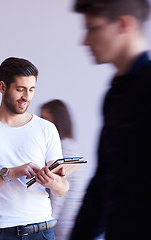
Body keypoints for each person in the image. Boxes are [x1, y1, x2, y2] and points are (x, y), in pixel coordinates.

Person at [0, 57, 69, 240]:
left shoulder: (47, 128)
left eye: (31, 89)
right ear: (2, 87)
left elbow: (63, 188)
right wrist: (12, 172)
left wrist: (52, 182)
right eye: (20, 89)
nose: (27, 96)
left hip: (41, 230)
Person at [71, 0, 151, 239]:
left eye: (93, 28)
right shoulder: (114, 95)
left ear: (123, 24)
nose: (84, 40)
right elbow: (104, 180)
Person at [40, 99, 85, 240]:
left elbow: (58, 193)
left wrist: (46, 224)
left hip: (62, 225)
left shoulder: (61, 149)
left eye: (44, 118)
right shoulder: (71, 145)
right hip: (73, 220)